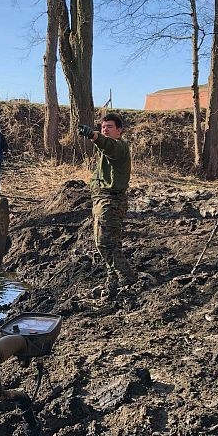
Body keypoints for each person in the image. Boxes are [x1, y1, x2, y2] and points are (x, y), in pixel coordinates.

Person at [77, 113, 137, 298]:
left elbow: (107, 145)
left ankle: (128, 278)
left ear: (119, 131)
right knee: (107, 243)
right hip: (102, 201)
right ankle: (113, 280)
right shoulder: (105, 151)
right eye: (103, 127)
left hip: (111, 202)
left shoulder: (119, 147)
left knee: (105, 243)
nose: (105, 129)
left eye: (109, 127)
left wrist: (94, 136)